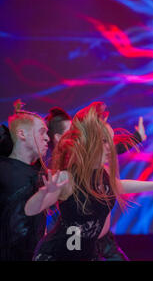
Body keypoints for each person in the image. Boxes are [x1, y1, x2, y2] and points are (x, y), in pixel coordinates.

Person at [24, 102, 153, 261]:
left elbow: (119, 185)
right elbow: (31, 210)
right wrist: (44, 193)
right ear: (90, 144)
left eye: (111, 140)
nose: (111, 146)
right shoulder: (67, 177)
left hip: (86, 253)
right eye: (104, 141)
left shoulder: (103, 174)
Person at [44, 106, 146, 260]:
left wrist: (136, 138)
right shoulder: (62, 168)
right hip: (73, 234)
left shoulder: (89, 157)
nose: (79, 133)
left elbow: (111, 149)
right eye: (72, 130)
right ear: (58, 137)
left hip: (95, 232)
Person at [0, 100, 49, 260]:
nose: (47, 138)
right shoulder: (3, 169)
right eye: (42, 132)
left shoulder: (40, 173)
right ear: (22, 134)